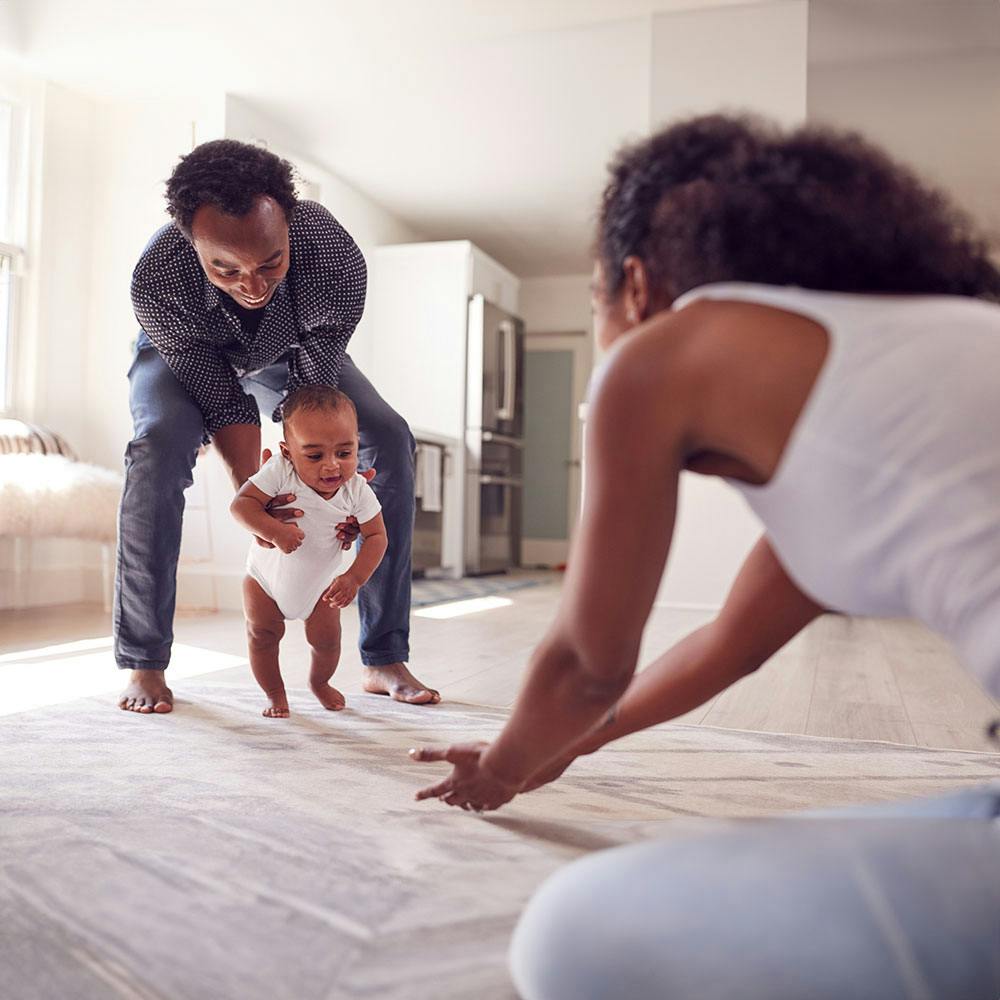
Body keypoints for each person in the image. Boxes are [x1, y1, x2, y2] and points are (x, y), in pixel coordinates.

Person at [410, 114, 1000, 998]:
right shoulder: (889, 394)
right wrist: (561, 749)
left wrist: (501, 770)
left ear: (636, 286)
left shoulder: (660, 358)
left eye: (596, 304)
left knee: (580, 933)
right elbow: (727, 643)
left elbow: (584, 666)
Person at [115, 139, 439, 714]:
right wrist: (261, 502)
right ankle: (144, 661)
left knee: (388, 436)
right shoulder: (159, 277)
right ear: (192, 243)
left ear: (289, 224)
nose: (253, 284)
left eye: (270, 263)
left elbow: (312, 401)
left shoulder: (330, 253)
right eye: (225, 268)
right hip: (182, 351)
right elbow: (224, 402)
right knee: (157, 449)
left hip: (291, 352)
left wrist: (334, 487)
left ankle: (384, 657)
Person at [231, 385, 386, 718]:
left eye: (344, 452)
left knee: (327, 642)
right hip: (264, 580)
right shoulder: (279, 472)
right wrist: (273, 531)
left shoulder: (357, 489)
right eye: (314, 456)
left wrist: (354, 578)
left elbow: (377, 536)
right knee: (262, 635)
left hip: (320, 587)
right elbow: (241, 506)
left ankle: (319, 683)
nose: (331, 466)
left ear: (357, 444)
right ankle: (275, 694)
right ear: (287, 452)